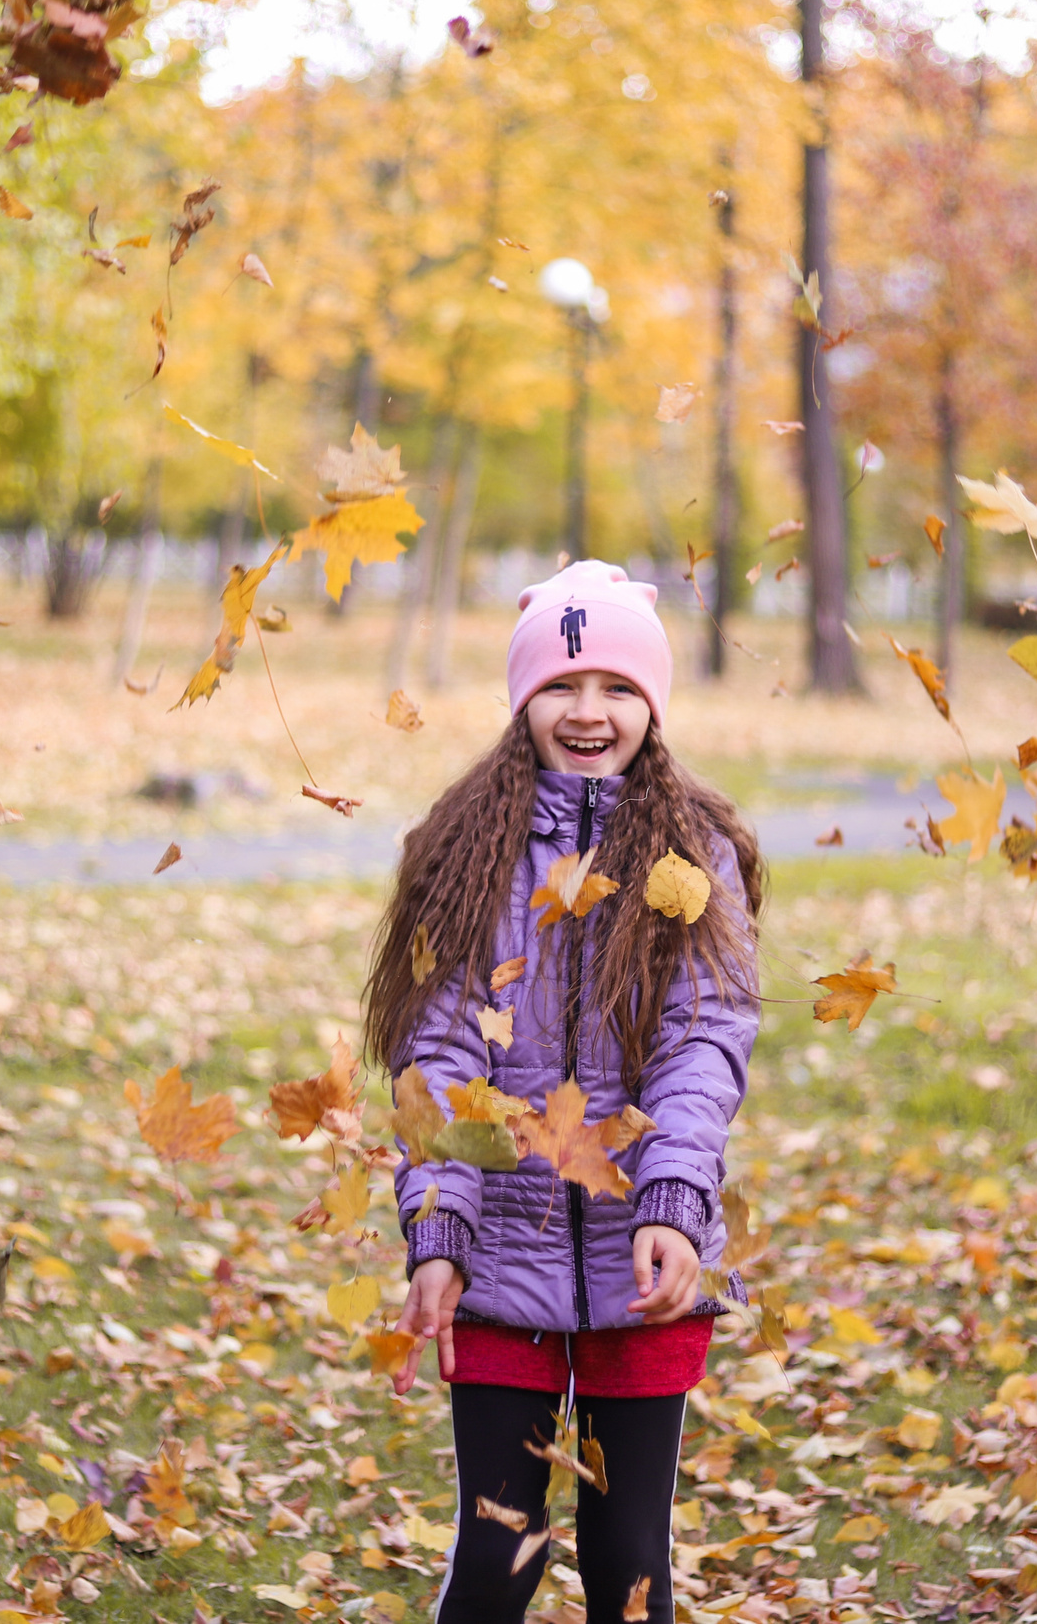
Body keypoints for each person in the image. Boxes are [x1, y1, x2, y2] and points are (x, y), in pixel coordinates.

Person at [362, 561, 764, 1624]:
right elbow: (436, 1055)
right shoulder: (466, 856)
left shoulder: (693, 857)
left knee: (629, 1562)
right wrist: (440, 1225)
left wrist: (673, 1204)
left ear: (654, 706)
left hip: (643, 1262)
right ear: (521, 699)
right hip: (499, 1257)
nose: (589, 712)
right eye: (561, 685)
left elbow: (701, 1044)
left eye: (618, 687)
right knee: (499, 1553)